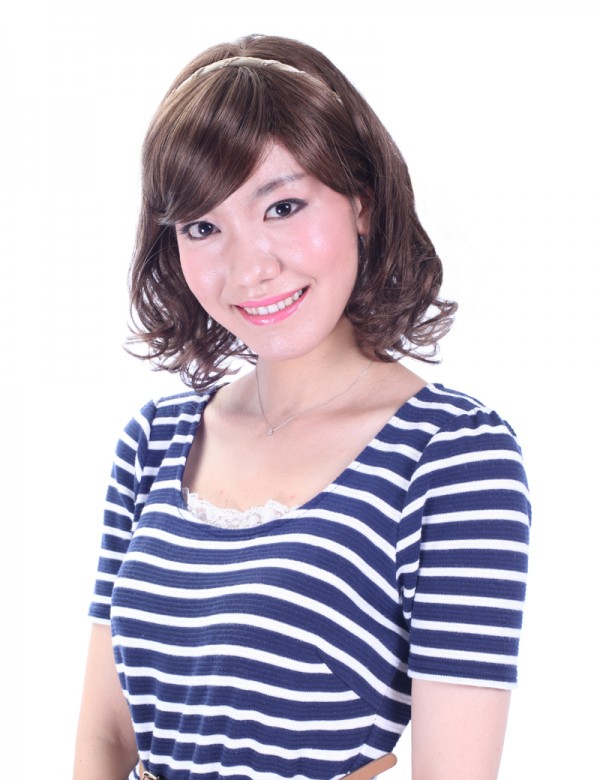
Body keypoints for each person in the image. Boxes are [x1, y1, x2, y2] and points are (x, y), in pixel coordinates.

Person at [73, 34, 531, 780]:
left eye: (282, 206)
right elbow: (105, 736)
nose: (249, 267)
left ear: (362, 203)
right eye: (202, 227)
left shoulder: (453, 457)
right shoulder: (154, 442)